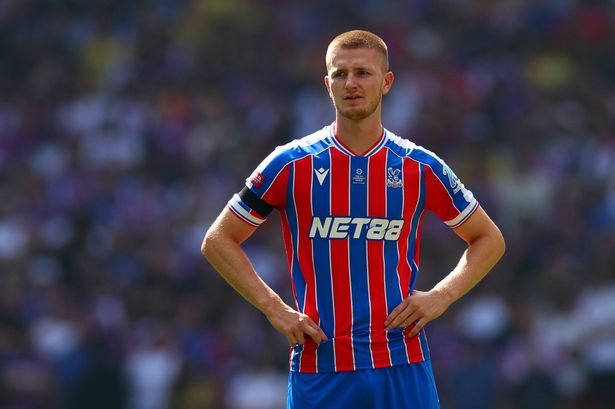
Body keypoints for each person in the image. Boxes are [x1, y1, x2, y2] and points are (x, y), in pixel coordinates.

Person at [201, 29, 505, 409]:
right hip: (322, 364)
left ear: (387, 82)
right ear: (327, 84)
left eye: (363, 72)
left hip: (401, 362)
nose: (351, 83)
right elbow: (217, 240)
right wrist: (273, 308)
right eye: (340, 74)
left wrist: (442, 295)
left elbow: (489, 238)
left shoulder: (420, 166)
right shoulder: (291, 163)